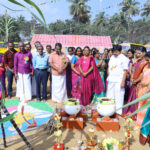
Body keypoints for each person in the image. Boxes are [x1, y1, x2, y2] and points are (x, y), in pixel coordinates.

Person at [123, 46, 147, 119]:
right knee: (132, 97)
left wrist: (136, 81)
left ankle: (137, 114)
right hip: (134, 82)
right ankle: (131, 112)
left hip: (140, 83)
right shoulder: (138, 61)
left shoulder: (145, 62)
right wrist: (132, 79)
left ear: (144, 53)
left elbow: (143, 74)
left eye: (139, 53)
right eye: (136, 53)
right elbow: (133, 71)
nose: (137, 55)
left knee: (138, 98)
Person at [106, 45, 129, 115]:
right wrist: (109, 75)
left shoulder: (124, 59)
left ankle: (118, 112)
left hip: (119, 80)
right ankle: (109, 110)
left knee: (119, 96)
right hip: (111, 79)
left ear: (120, 51)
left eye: (116, 52)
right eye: (113, 52)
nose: (114, 53)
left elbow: (125, 71)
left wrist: (123, 82)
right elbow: (109, 67)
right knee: (110, 95)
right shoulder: (112, 57)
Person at [135, 52, 150, 129]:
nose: (148, 62)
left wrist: (146, 92)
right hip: (142, 89)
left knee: (145, 110)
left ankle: (143, 128)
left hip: (148, 93)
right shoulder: (146, 67)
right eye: (147, 60)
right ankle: (138, 125)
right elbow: (142, 75)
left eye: (149, 60)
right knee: (140, 108)